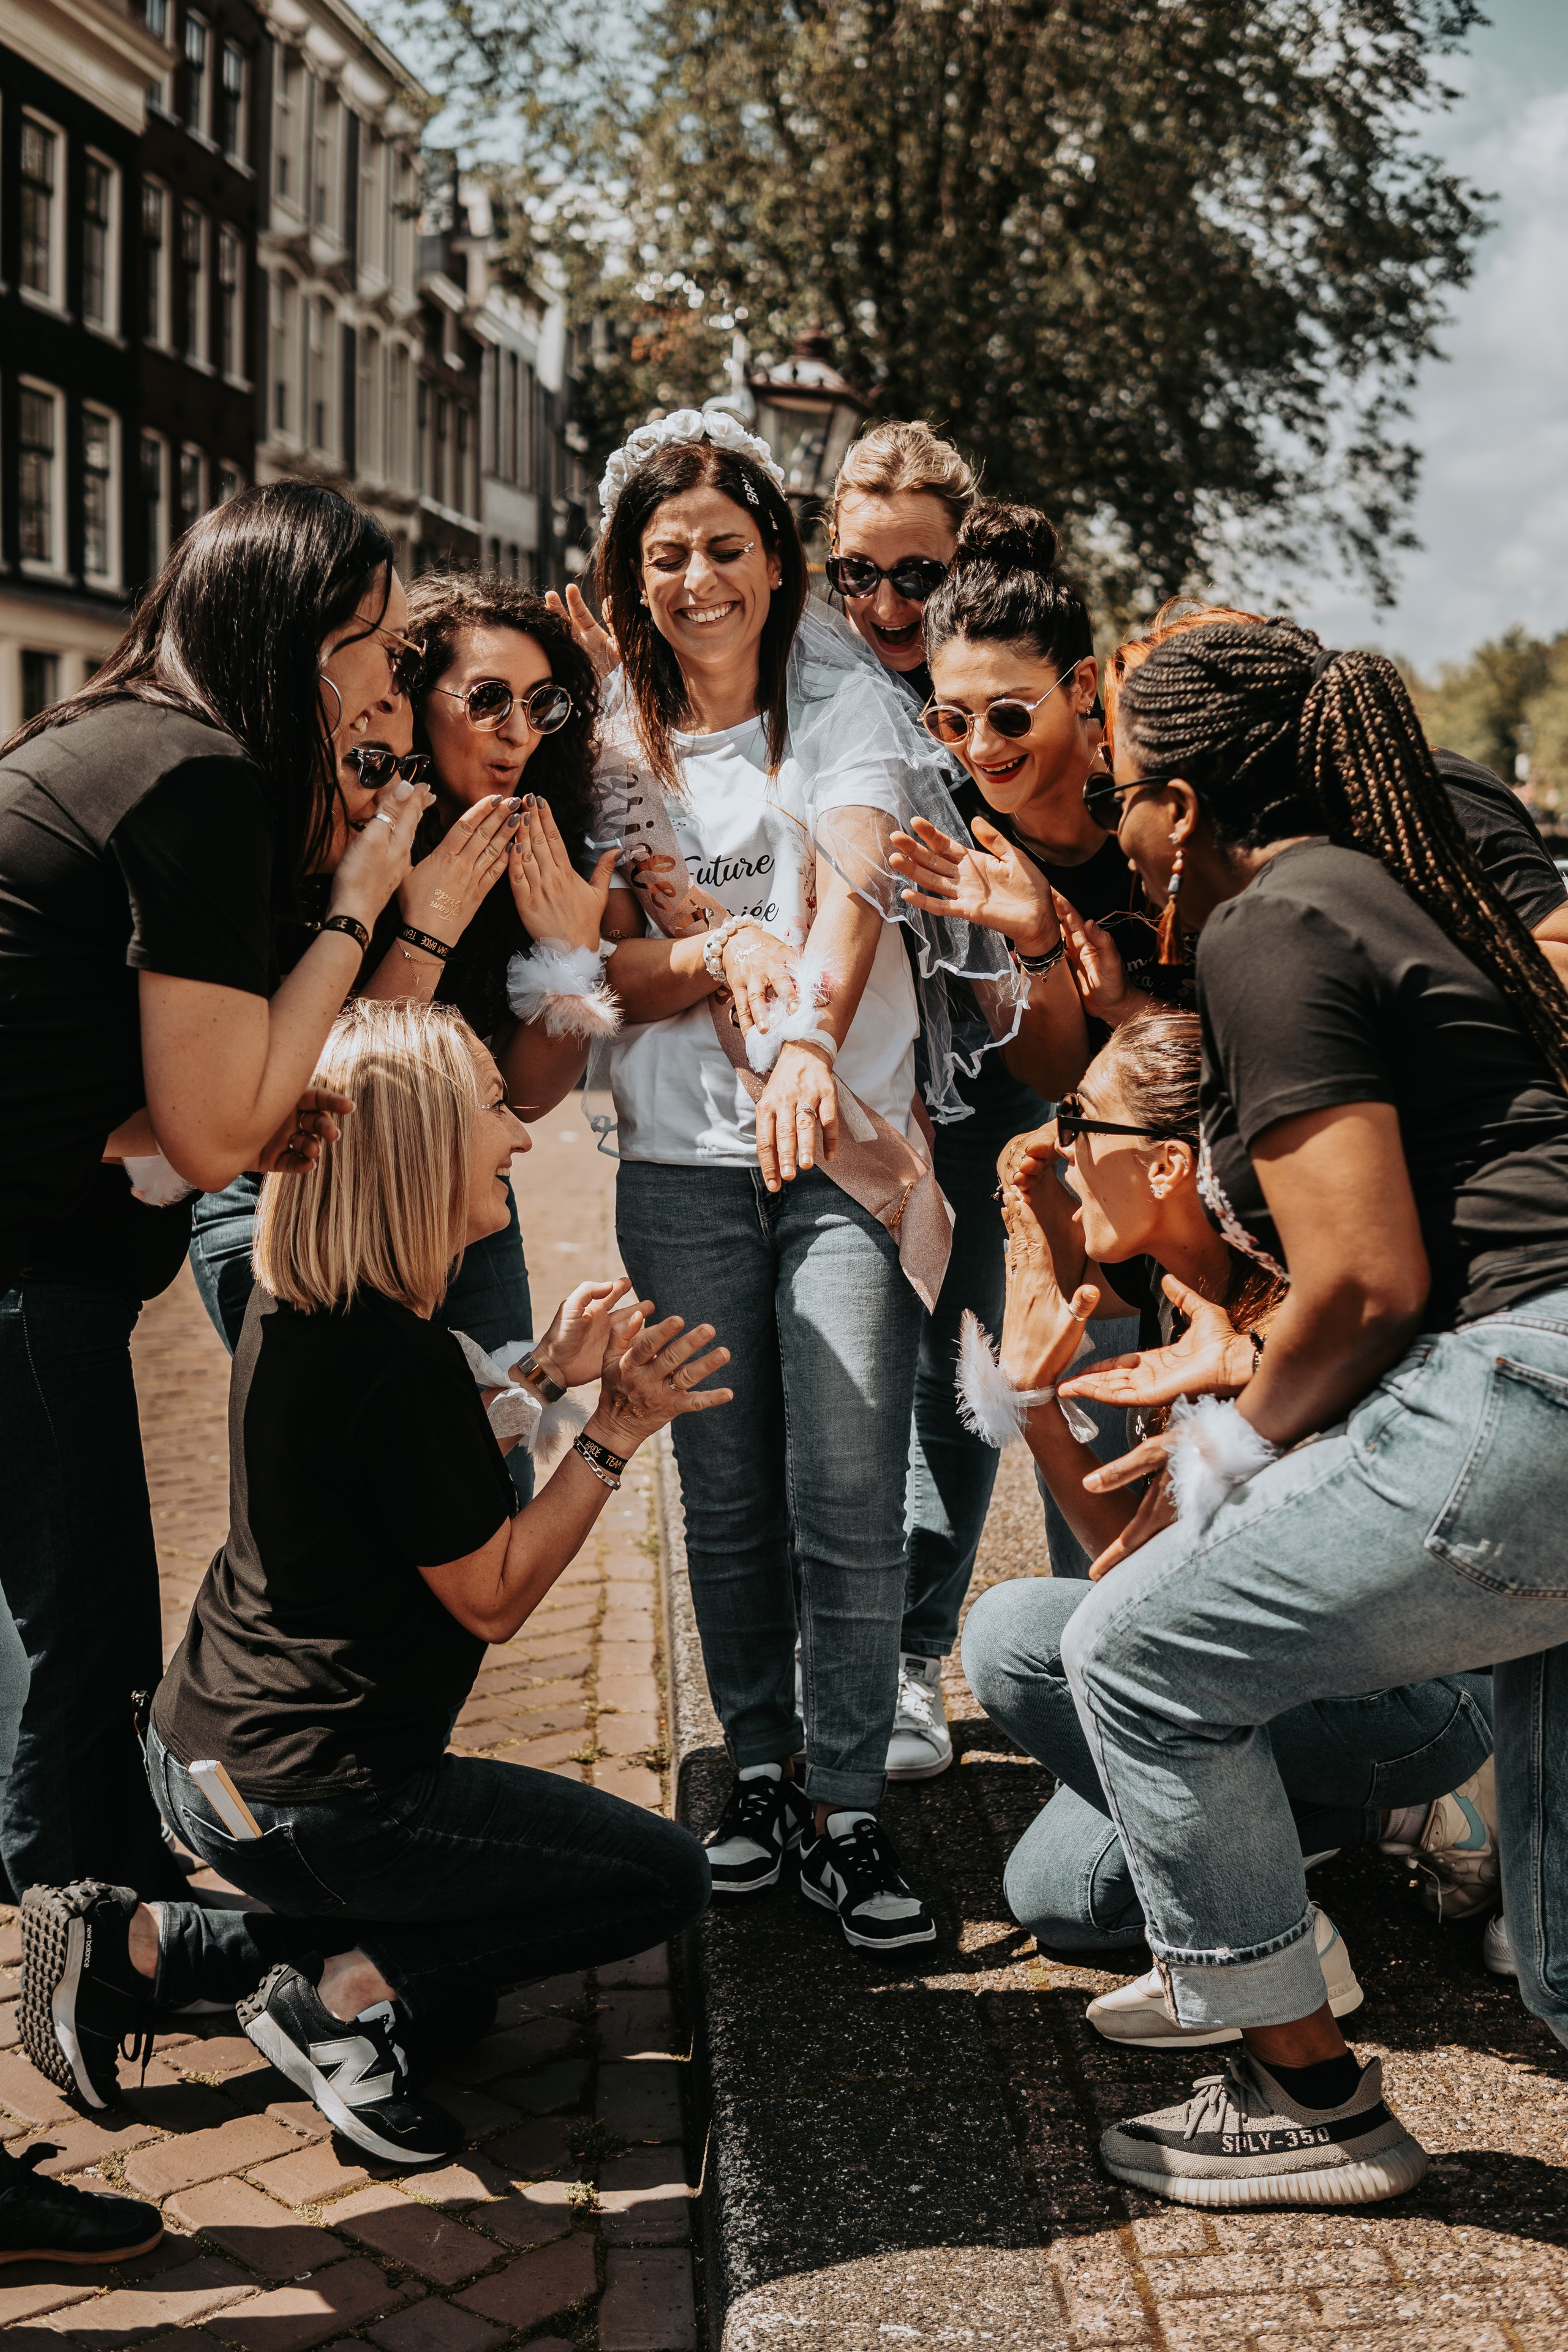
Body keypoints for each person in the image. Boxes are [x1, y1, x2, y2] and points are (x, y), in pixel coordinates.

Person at [1026, 617, 1568, 2208]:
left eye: (1126, 790)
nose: (1120, 828)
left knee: (1133, 1658)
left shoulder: (1271, 917)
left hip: (1534, 1386)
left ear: (1182, 809)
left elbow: (1362, 1283)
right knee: (1559, 1947)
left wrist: (1227, 1448)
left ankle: (1309, 2103)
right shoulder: (1432, 896)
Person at [19, 998, 722, 2165]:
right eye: (495, 1110)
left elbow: (409, 1472)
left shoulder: (306, 1310)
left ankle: (146, 1945)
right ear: (421, 1142)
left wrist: (542, 1377)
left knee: (462, 1996)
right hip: (322, 1796)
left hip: (200, 1765)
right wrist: (613, 1433)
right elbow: (491, 1594)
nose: (520, 1138)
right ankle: (334, 2004)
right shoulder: (394, 1361)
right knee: (660, 1879)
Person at [584, 409, 1017, 1951]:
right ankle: (756, 1775)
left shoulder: (844, 704)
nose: (697, 579)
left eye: (722, 548)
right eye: (666, 557)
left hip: (836, 1148)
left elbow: (845, 879)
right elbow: (597, 977)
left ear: (776, 564)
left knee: (843, 1482)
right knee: (724, 1491)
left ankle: (850, 1807)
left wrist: (809, 1042)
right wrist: (704, 951)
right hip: (678, 1169)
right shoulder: (612, 746)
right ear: (634, 582)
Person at [0, 483, 425, 1903]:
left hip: (33, 1239)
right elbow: (208, 1128)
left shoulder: (113, 739)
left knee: (57, 1615)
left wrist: (240, 1112)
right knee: (91, 1624)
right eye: (376, 645)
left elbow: (73, 1060)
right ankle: (94, 1937)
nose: (389, 681)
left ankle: (79, 1899)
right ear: (306, 646)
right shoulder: (200, 780)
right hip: (18, 1268)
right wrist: (367, 898)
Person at [957, 1012, 1496, 2041]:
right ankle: (1362, 1826)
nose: (1056, 1149)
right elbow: (1125, 1553)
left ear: (1166, 1164)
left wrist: (1247, 1390)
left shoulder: (1305, 1298)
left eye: (1079, 1121)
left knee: (1018, 1635)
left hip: (1401, 1698)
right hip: (1244, 1687)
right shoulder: (1178, 1291)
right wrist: (1028, 1394)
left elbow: (1125, 1593)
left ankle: (1296, 1956)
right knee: (1062, 1895)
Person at [186, 575, 613, 1507]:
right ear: (416, 699)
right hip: (301, 1193)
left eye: (543, 705)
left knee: (484, 1476)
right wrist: (425, 930)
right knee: (347, 1486)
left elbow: (525, 1097)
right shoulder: (336, 826)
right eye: (490, 699)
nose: (519, 732)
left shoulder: (533, 837)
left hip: (456, 1195)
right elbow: (335, 1077)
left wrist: (567, 958)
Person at [825, 426, 1051, 1779]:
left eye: (920, 574)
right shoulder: (800, 683)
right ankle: (833, 1649)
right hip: (831, 1084)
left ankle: (910, 1654)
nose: (889, 607)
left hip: (973, 1094)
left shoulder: (991, 695)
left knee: (958, 1373)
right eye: (858, 572)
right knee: (837, 1369)